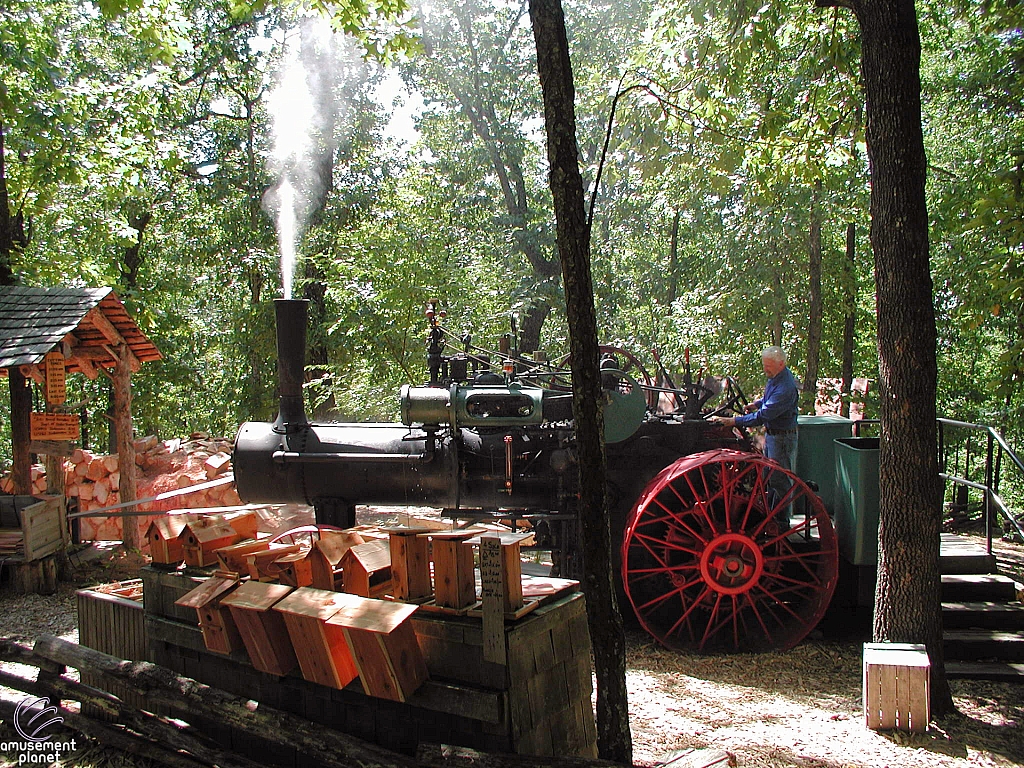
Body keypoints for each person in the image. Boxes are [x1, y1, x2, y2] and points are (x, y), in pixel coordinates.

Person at [712, 346, 799, 525]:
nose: (765, 369)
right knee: (769, 476)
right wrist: (756, 403)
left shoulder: (785, 387)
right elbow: (768, 400)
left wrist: (733, 421)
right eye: (764, 365)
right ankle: (771, 517)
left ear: (781, 363)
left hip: (782, 438)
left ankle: (781, 524)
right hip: (774, 435)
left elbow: (763, 416)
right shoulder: (776, 376)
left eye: (768, 365)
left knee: (778, 479)